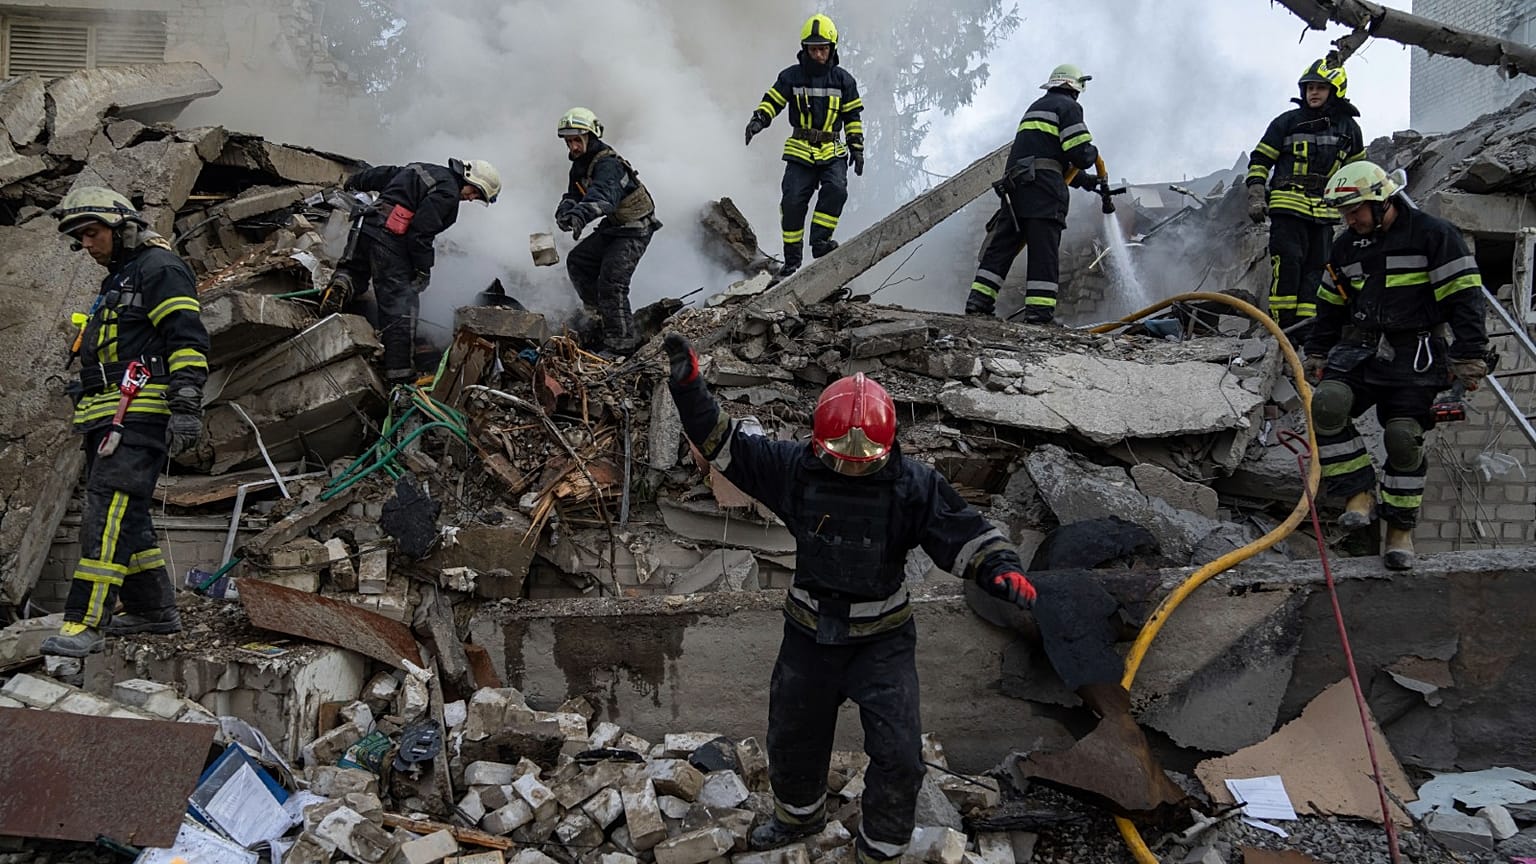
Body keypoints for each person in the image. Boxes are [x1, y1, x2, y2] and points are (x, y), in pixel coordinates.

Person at [661, 333, 1036, 864]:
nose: (855, 467)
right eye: (843, 458)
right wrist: (689, 389)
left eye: (867, 460)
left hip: (882, 644)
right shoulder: (791, 469)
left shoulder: (913, 485)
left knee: (900, 755)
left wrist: (999, 568)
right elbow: (725, 446)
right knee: (792, 737)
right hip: (808, 637)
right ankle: (798, 817)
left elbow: (964, 530)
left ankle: (880, 848)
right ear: (818, 443)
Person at [41, 187, 210, 658]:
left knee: (106, 510)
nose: (87, 246)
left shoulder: (160, 269)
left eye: (92, 234)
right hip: (107, 414)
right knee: (128, 516)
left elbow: (187, 339)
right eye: (80, 238)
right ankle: (154, 610)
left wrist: (186, 405)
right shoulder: (121, 278)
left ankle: (85, 621)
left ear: (123, 228)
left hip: (139, 413)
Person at [1304, 161, 1488, 570]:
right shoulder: (1346, 245)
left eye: (1356, 211)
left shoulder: (1433, 235)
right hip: (1362, 350)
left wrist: (1469, 355)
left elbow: (1465, 297)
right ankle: (1358, 492)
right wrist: (1317, 351)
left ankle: (1399, 531)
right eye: (1344, 213)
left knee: (1403, 439)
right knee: (1328, 404)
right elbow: (1330, 305)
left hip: (1417, 355)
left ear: (1382, 199)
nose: (1349, 220)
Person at [321, 158, 502, 383]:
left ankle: (339, 287)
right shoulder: (448, 193)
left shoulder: (422, 168)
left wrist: (355, 181)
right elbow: (420, 233)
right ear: (469, 177)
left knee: (353, 272)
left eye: (478, 198)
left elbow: (383, 173)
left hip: (364, 226)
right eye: (475, 191)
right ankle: (400, 377)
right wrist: (423, 269)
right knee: (402, 308)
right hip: (389, 240)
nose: (471, 198)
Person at [964, 64, 1103, 324]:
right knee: (1043, 251)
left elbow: (1048, 157)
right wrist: (1092, 154)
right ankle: (1039, 315)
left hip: (1018, 187)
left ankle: (978, 303)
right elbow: (1079, 154)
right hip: (1044, 191)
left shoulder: (1036, 107)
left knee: (1003, 246)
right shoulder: (1069, 107)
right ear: (1075, 87)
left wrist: (1085, 182)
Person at [1246, 57, 1365, 336]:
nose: (1313, 92)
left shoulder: (1349, 129)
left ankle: (1306, 331)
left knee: (1317, 272)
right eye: (1309, 87)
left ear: (1335, 90)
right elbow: (1261, 159)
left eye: (1320, 87)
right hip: (1287, 206)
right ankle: (1282, 329)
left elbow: (1358, 171)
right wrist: (1255, 192)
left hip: (1324, 213)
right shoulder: (1287, 122)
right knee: (1288, 264)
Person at [745, 13, 864, 279]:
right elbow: (773, 100)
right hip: (800, 150)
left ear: (832, 48)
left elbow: (852, 117)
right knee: (792, 202)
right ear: (805, 49)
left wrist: (857, 148)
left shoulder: (844, 81)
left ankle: (820, 243)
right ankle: (791, 261)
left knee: (836, 189)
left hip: (832, 150)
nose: (818, 53)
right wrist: (758, 120)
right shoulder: (791, 76)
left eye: (822, 48)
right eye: (813, 48)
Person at [554, 107, 661, 355]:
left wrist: (580, 215)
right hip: (615, 227)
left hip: (635, 229)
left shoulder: (608, 165)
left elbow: (603, 198)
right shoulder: (580, 166)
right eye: (569, 141)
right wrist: (565, 211)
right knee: (579, 261)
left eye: (577, 140)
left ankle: (621, 345)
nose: (573, 147)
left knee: (612, 284)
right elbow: (574, 194)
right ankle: (600, 317)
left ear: (590, 136)